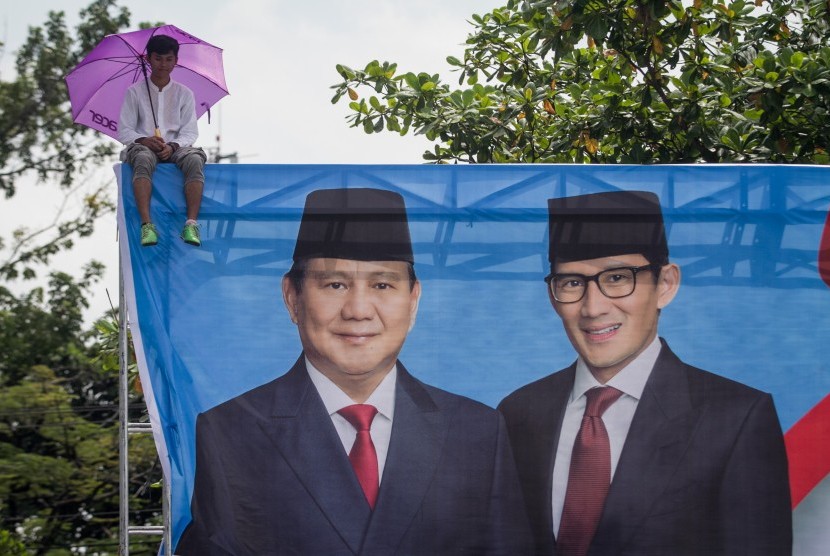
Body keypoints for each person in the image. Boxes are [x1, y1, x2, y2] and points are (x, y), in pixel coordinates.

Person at [177, 187, 533, 555]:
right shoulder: (231, 430)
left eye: (382, 285)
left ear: (413, 301)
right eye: (335, 284)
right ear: (292, 298)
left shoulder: (476, 431)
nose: (359, 310)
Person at [499, 190, 792, 556]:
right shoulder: (519, 412)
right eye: (572, 283)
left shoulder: (735, 419)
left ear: (665, 284)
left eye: (618, 278)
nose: (593, 307)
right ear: (553, 295)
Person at [118, 34, 207, 247]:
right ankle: (147, 225)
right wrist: (144, 140)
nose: (163, 64)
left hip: (176, 148)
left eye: (168, 59)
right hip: (144, 147)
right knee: (141, 158)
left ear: (176, 61)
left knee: (195, 159)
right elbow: (124, 130)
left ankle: (191, 224)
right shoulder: (134, 92)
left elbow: (190, 132)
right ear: (149, 59)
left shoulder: (184, 94)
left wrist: (172, 146)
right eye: (158, 58)